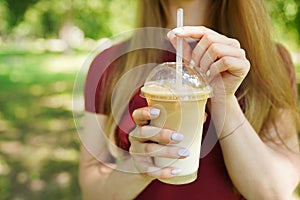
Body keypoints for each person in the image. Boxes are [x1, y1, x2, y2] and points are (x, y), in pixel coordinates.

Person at [78, 0, 300, 199]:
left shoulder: (272, 62)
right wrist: (139, 168)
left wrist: (222, 99)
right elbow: (93, 191)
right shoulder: (109, 64)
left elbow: (272, 193)